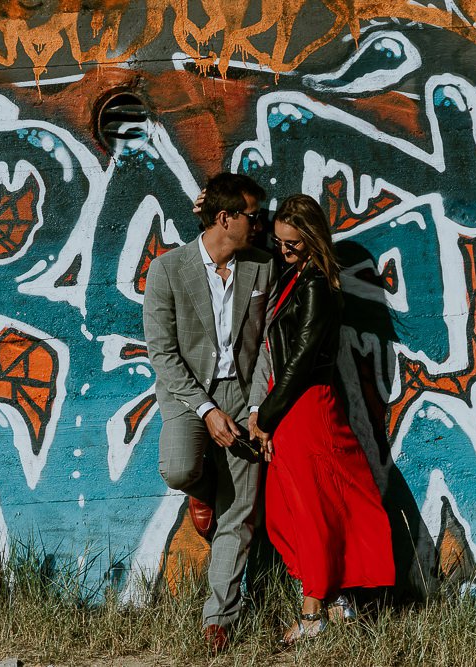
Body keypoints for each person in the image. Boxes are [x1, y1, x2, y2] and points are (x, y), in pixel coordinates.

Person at [249, 194, 395, 645]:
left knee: (308, 508)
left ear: (311, 240)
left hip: (305, 406)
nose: (283, 251)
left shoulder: (314, 285)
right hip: (296, 406)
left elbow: (301, 359)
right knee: (286, 510)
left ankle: (314, 611)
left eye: (291, 244)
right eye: (279, 243)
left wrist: (265, 417)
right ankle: (336, 600)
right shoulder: (297, 277)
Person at [143, 173, 276, 654]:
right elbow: (162, 354)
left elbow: (265, 343)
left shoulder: (261, 268)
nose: (261, 225)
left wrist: (257, 407)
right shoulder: (168, 270)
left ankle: (218, 619)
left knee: (239, 512)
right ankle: (201, 494)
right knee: (178, 468)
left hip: (245, 393)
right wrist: (206, 410)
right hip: (187, 394)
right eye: (253, 216)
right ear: (226, 218)